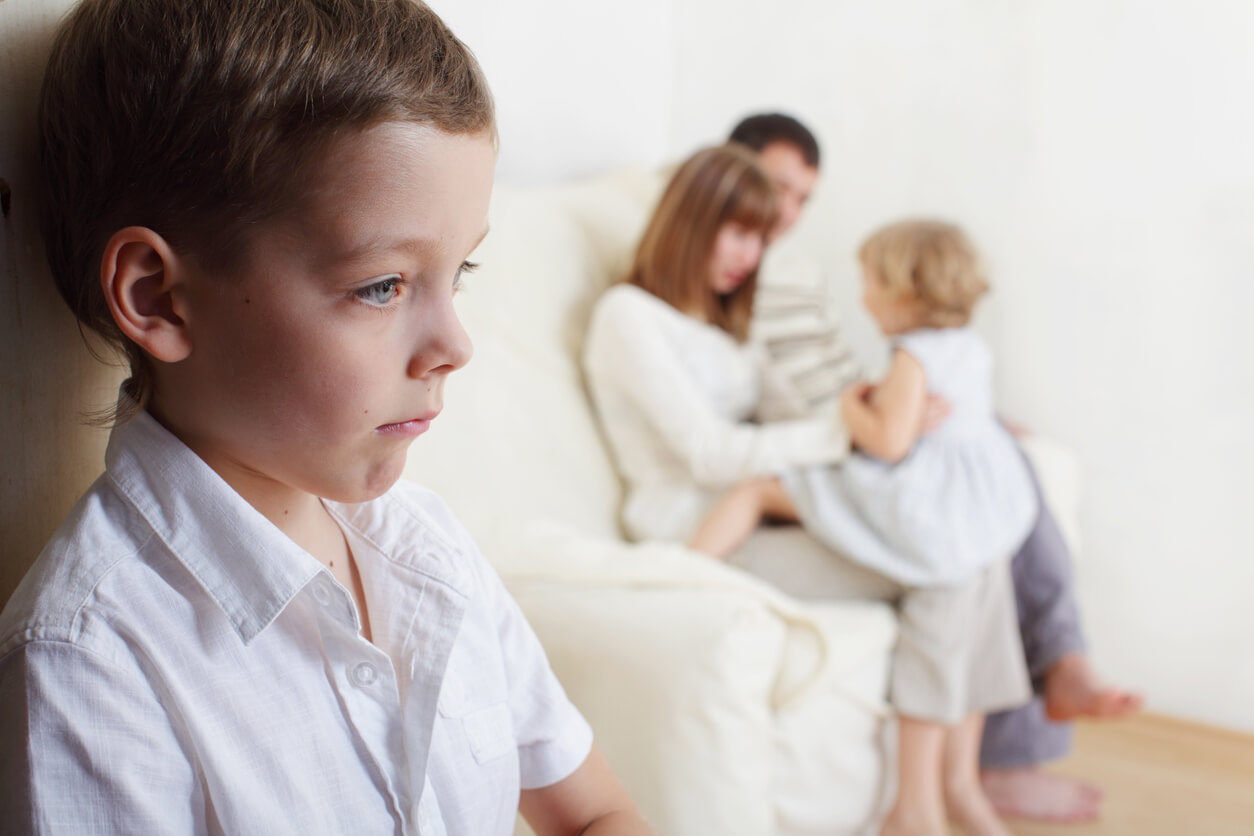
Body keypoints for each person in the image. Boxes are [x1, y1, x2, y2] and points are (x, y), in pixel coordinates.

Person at [0, 2, 650, 834]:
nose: (455, 344)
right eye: (382, 285)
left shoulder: (429, 551)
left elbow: (597, 811)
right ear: (158, 296)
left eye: (461, 272)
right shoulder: (88, 665)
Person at [586, 149, 1036, 835]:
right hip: (701, 526)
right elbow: (711, 454)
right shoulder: (628, 317)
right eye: (738, 232)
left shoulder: (727, 320)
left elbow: (804, 413)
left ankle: (959, 783)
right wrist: (849, 426)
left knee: (976, 549)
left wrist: (890, 413)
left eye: (762, 238)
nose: (751, 254)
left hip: (769, 508)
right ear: (689, 221)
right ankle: (914, 810)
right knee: (947, 570)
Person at [729, 113, 1142, 823]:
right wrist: (869, 413)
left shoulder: (804, 277)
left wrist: (898, 409)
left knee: (1011, 466)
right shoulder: (732, 266)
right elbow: (832, 413)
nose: (788, 214)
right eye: (777, 190)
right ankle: (993, 747)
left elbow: (855, 391)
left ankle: (983, 759)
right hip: (842, 439)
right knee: (988, 516)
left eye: (804, 199)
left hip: (884, 425)